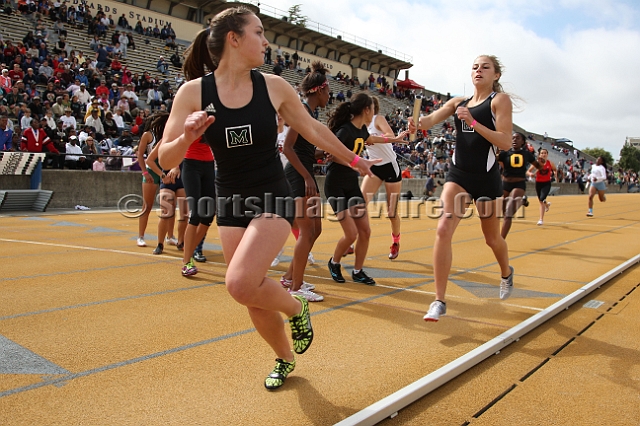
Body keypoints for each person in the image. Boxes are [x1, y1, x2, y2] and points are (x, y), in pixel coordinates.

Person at [158, 7, 379, 390]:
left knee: (239, 283)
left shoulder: (274, 86)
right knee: (252, 297)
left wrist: (353, 158)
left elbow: (311, 130)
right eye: (259, 33)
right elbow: (165, 158)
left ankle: (296, 306)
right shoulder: (193, 93)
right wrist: (187, 137)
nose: (266, 41)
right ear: (234, 39)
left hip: (272, 196)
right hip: (228, 200)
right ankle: (284, 358)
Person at [409, 55, 515, 322]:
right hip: (459, 176)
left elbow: (505, 143)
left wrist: (474, 123)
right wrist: (416, 124)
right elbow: (430, 120)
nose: (478, 70)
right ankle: (439, 300)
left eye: (485, 67)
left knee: (492, 239)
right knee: (443, 228)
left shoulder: (499, 101)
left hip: (487, 177)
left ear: (496, 76)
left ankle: (506, 272)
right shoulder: (458, 103)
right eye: (475, 67)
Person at [325, 93, 407, 286]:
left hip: (351, 183)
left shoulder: (361, 130)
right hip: (336, 184)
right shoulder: (345, 131)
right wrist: (359, 163)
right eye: (373, 108)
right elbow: (336, 156)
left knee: (366, 231)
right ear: (366, 110)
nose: (375, 113)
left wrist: (396, 140)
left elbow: (374, 139)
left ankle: (357, 271)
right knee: (351, 233)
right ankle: (334, 262)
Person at [280, 61, 330, 302]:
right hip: (298, 176)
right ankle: (295, 288)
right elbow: (287, 148)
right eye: (328, 91)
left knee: (315, 230)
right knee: (306, 231)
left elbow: (302, 149)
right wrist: (307, 175)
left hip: (305, 172)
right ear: (319, 90)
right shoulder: (301, 111)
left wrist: (320, 155)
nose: (329, 96)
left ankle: (290, 277)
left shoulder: (310, 114)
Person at [360, 96, 407, 260]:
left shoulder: (377, 119)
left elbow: (390, 134)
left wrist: (375, 139)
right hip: (374, 167)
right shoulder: (359, 124)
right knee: (359, 204)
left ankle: (396, 242)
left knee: (391, 212)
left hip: (389, 166)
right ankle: (353, 240)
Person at [497, 132, 541, 238]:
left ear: (523, 142)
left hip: (519, 184)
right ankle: (521, 202)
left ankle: (501, 240)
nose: (514, 140)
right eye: (513, 138)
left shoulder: (527, 154)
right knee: (502, 212)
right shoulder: (504, 154)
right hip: (505, 184)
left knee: (508, 214)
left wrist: (541, 162)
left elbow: (538, 166)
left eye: (517, 138)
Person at [135, 115, 164, 247]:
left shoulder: (166, 133)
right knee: (147, 205)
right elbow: (140, 154)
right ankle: (140, 236)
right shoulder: (148, 134)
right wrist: (145, 172)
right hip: (151, 170)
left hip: (165, 168)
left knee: (168, 206)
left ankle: (170, 236)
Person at [527, 148, 556, 225]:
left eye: (545, 153)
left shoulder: (550, 163)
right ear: (539, 155)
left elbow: (555, 169)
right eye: (542, 153)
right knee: (541, 201)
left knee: (542, 198)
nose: (544, 154)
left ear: (547, 154)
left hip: (546, 183)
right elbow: (528, 171)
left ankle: (541, 219)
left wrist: (554, 174)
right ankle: (547, 205)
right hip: (538, 183)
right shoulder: (536, 163)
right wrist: (530, 174)